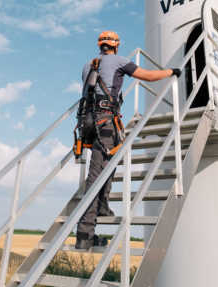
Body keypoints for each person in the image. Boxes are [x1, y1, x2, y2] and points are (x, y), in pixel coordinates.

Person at [74, 30, 182, 250]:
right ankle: (84, 236)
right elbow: (149, 76)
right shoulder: (120, 61)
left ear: (100, 45)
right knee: (95, 177)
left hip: (87, 124)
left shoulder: (88, 65)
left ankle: (103, 207)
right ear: (116, 45)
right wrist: (172, 71)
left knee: (108, 164)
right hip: (105, 123)